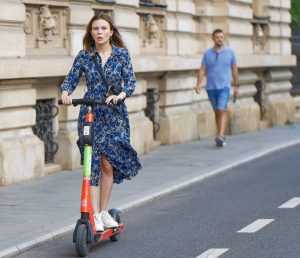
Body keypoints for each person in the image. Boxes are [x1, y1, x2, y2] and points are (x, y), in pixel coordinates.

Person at [60, 13, 142, 231]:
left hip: (115, 115)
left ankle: (104, 212)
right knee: (93, 164)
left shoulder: (122, 55)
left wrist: (121, 95)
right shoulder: (85, 56)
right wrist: (66, 92)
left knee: (108, 163)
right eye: (95, 29)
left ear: (111, 31)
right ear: (91, 32)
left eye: (103, 28)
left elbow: (131, 83)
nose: (99, 32)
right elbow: (71, 79)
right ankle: (94, 215)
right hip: (91, 113)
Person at [196, 29, 239, 147]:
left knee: (221, 109)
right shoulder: (208, 54)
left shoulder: (230, 52)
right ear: (213, 38)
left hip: (224, 87)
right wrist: (198, 84)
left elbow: (234, 69)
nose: (220, 39)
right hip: (211, 87)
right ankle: (221, 135)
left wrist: (236, 85)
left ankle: (220, 135)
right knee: (217, 112)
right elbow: (202, 69)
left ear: (223, 38)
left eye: (221, 37)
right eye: (217, 37)